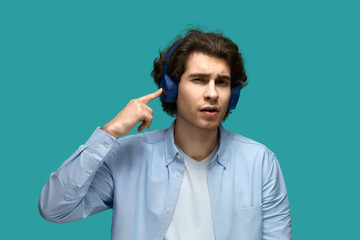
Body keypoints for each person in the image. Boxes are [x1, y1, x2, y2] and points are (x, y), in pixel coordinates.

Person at [38, 28, 292, 240]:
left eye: (222, 82)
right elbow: (54, 209)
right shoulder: (127, 155)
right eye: (199, 80)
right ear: (170, 88)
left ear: (232, 94)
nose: (212, 93)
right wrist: (110, 132)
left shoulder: (260, 162)